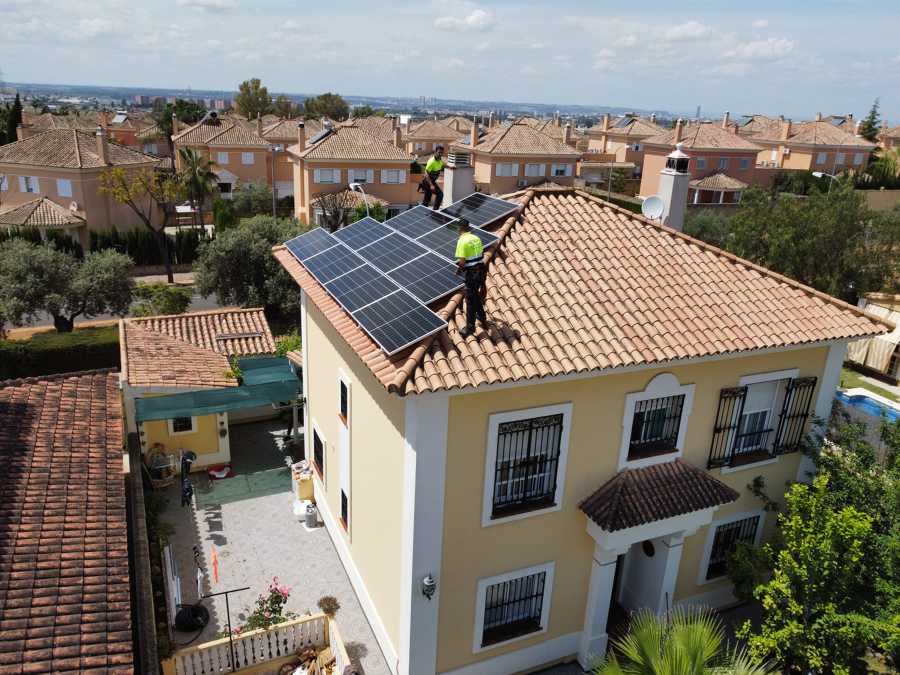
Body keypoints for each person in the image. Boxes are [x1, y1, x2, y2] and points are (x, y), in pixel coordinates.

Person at [454, 219, 488, 337]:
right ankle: (482, 316)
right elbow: (481, 254)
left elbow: (462, 262)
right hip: (481, 270)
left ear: (459, 229)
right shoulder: (476, 238)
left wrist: (458, 270)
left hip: (472, 273)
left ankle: (470, 327)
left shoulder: (462, 241)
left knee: (470, 299)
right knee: (475, 294)